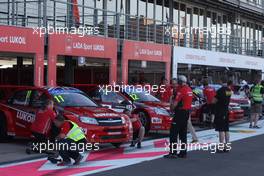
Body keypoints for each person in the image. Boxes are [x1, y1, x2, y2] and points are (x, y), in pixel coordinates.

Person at [164, 75, 193, 159]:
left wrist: (171, 104)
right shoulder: (189, 90)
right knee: (183, 134)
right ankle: (183, 153)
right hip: (186, 113)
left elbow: (174, 106)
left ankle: (173, 152)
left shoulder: (181, 91)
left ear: (180, 82)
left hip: (180, 113)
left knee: (173, 133)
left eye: (177, 82)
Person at [213, 79, 233, 153]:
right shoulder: (229, 91)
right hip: (226, 111)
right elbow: (228, 99)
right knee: (226, 129)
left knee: (221, 130)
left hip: (220, 111)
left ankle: (221, 147)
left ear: (221, 81)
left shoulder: (220, 90)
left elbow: (213, 101)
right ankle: (227, 146)